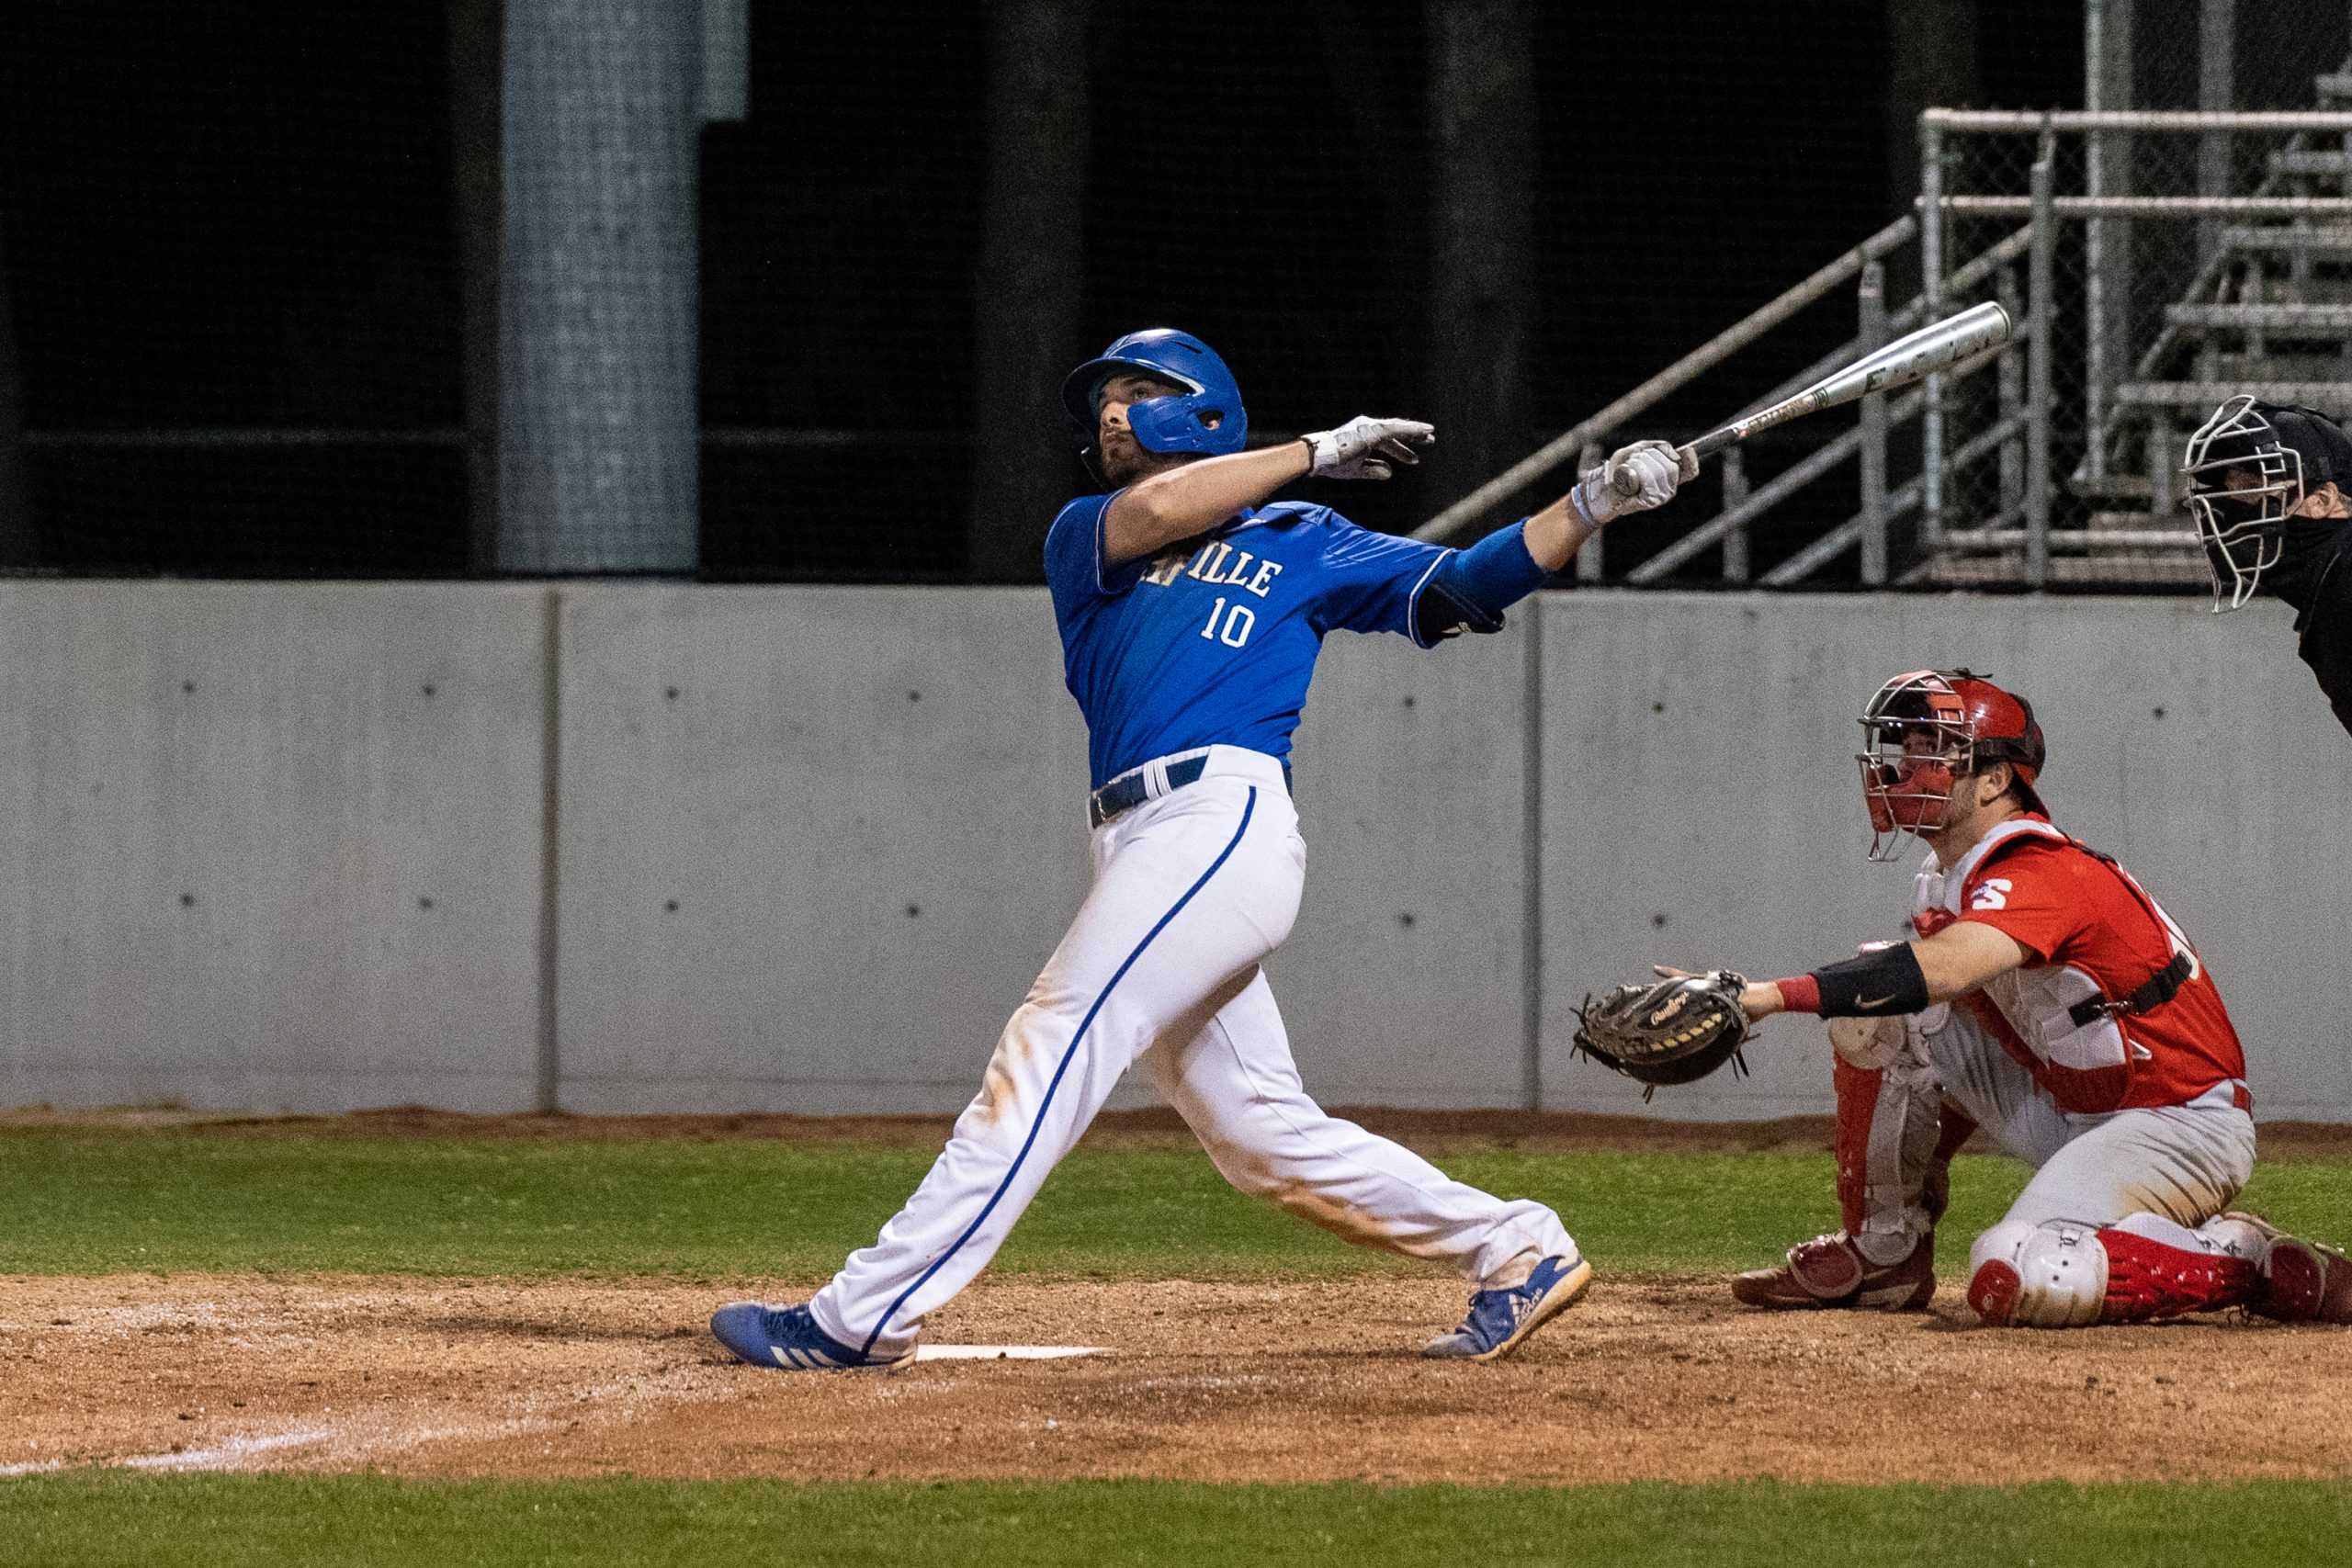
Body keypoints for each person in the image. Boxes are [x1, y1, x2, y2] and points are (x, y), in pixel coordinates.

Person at [709, 327, 1694, 1369]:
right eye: (1104, 401)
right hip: (1135, 838)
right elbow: (1160, 511)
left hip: (1217, 822)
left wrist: (1590, 507)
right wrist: (1316, 445)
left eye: (1138, 392)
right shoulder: (1089, 532)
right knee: (1257, 1129)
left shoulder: (1299, 534)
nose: (1112, 413)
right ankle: (1516, 1247)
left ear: (1202, 408)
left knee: (1052, 1043)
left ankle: (861, 1315)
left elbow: (1460, 588)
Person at [1681, 667, 2349, 1327]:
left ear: (1997, 780)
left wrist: (1763, 997)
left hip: (2179, 1122)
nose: (1907, 766)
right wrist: (1926, 1156)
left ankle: (2243, 1258)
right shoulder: (1945, 878)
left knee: (2023, 1271)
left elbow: (1941, 971)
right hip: (2075, 1104)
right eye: (1908, 747)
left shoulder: (2041, 869)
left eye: (1935, 750)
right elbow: (1978, 1024)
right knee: (1883, 1012)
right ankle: (1886, 1252)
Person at [2182, 394, 2352, 737]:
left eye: (2255, 492)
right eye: (2233, 496)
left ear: (2321, 501)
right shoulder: (2330, 583)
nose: (2235, 512)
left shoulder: (2345, 578)